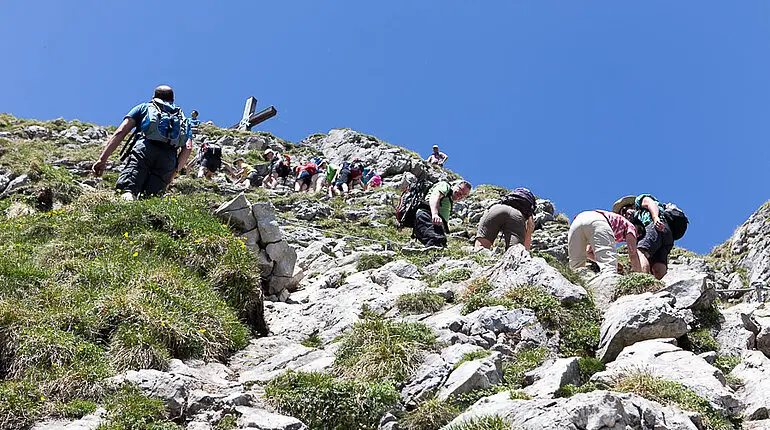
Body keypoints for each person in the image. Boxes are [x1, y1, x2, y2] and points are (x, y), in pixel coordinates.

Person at [92, 85, 192, 200]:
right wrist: (174, 172)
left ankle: (123, 213)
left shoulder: (145, 107)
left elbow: (121, 131)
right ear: (172, 99)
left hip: (144, 149)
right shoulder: (182, 118)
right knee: (152, 198)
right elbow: (188, 147)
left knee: (128, 189)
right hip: (169, 157)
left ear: (154, 97)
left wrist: (102, 159)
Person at [613, 194, 673, 279]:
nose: (624, 215)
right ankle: (660, 286)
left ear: (632, 206)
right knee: (657, 266)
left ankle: (643, 281)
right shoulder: (634, 223)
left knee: (640, 252)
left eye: (624, 211)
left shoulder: (639, 200)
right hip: (666, 235)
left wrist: (655, 218)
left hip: (652, 226)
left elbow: (650, 202)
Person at [568, 208, 643, 275]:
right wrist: (640, 275)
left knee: (576, 268)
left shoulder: (616, 228)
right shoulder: (631, 226)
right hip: (598, 221)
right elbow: (632, 252)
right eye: (639, 232)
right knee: (609, 269)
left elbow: (588, 252)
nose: (636, 236)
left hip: (577, 221)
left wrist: (616, 264)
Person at [412, 180, 472, 247]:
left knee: (441, 244)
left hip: (434, 222)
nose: (461, 194)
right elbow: (435, 196)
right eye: (460, 189)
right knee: (436, 241)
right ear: (454, 185)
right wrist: (435, 214)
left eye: (464, 195)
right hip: (427, 216)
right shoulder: (445, 186)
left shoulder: (449, 198)